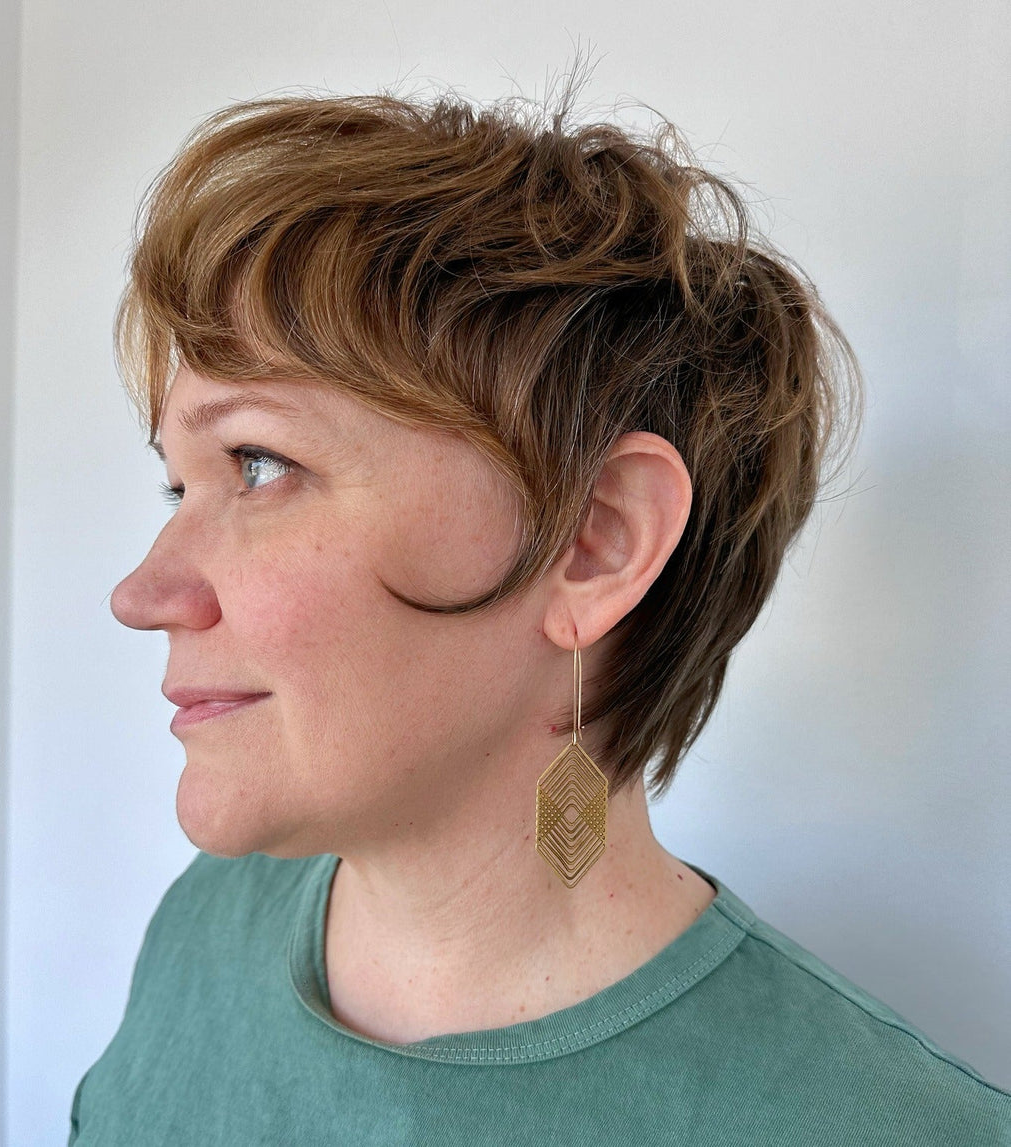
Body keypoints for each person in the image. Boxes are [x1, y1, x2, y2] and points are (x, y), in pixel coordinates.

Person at [68, 82, 1011, 1145]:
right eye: (178, 486)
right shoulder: (206, 928)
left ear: (593, 542)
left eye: (258, 463)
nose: (142, 594)